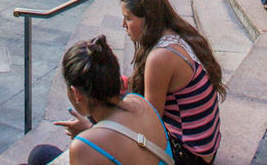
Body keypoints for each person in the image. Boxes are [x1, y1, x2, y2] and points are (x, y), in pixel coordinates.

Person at [120, 0, 224, 164]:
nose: (123, 25)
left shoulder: (160, 57)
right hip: (205, 146)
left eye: (128, 18)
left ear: (146, 20)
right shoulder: (177, 34)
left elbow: (150, 120)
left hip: (190, 155)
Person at [37, 36, 174, 165]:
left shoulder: (83, 146)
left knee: (39, 155)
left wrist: (89, 136)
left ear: (75, 93)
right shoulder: (139, 102)